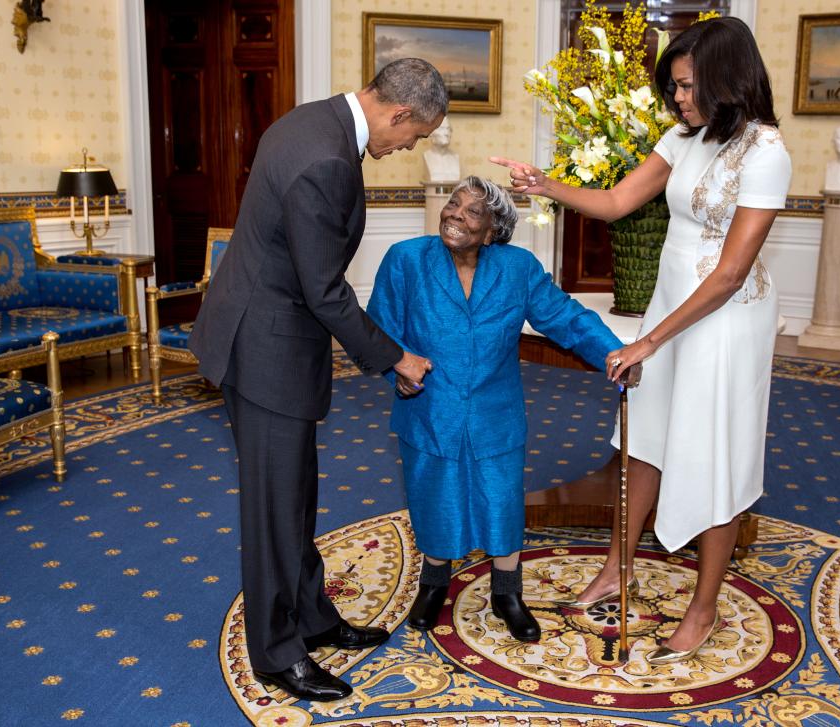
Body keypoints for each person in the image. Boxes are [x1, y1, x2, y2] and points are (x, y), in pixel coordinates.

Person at [492, 16, 791, 664]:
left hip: (729, 320)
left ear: (725, 77)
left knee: (716, 454)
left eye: (686, 85)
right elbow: (618, 200)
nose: (678, 98)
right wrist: (544, 183)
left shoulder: (767, 151)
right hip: (672, 302)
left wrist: (649, 340)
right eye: (674, 86)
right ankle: (616, 567)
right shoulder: (683, 137)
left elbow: (732, 270)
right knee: (643, 438)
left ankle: (704, 604)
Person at [188, 58, 447, 702]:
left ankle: (312, 616)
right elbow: (325, 292)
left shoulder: (314, 118)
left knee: (295, 495)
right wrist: (396, 358)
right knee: (276, 508)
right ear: (397, 113)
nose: (405, 149)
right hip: (265, 348)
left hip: (264, 328)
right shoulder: (327, 157)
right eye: (411, 138)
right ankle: (278, 654)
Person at [366, 177, 638, 642]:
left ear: (493, 232)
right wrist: (398, 372)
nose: (456, 214)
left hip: (497, 412)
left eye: (473, 212)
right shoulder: (406, 260)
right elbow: (378, 328)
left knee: (502, 501)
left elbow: (565, 317)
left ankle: (506, 593)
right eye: (454, 204)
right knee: (434, 496)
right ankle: (433, 585)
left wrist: (614, 352)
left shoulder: (518, 268)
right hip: (429, 408)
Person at [423, 115, 461, 182]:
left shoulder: (455, 157)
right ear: (431, 132)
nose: (446, 133)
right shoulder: (426, 155)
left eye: (449, 129)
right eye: (442, 128)